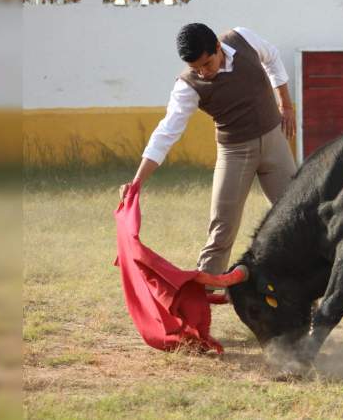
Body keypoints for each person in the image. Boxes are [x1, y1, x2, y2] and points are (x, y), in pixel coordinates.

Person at [119, 23, 297, 283]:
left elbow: (272, 56)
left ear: (217, 47)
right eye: (196, 68)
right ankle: (202, 296)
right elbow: (167, 132)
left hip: (275, 142)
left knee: (296, 214)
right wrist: (137, 181)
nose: (203, 72)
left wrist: (286, 105)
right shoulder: (187, 86)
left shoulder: (242, 38)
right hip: (235, 152)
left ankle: (304, 290)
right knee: (222, 228)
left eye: (207, 64)